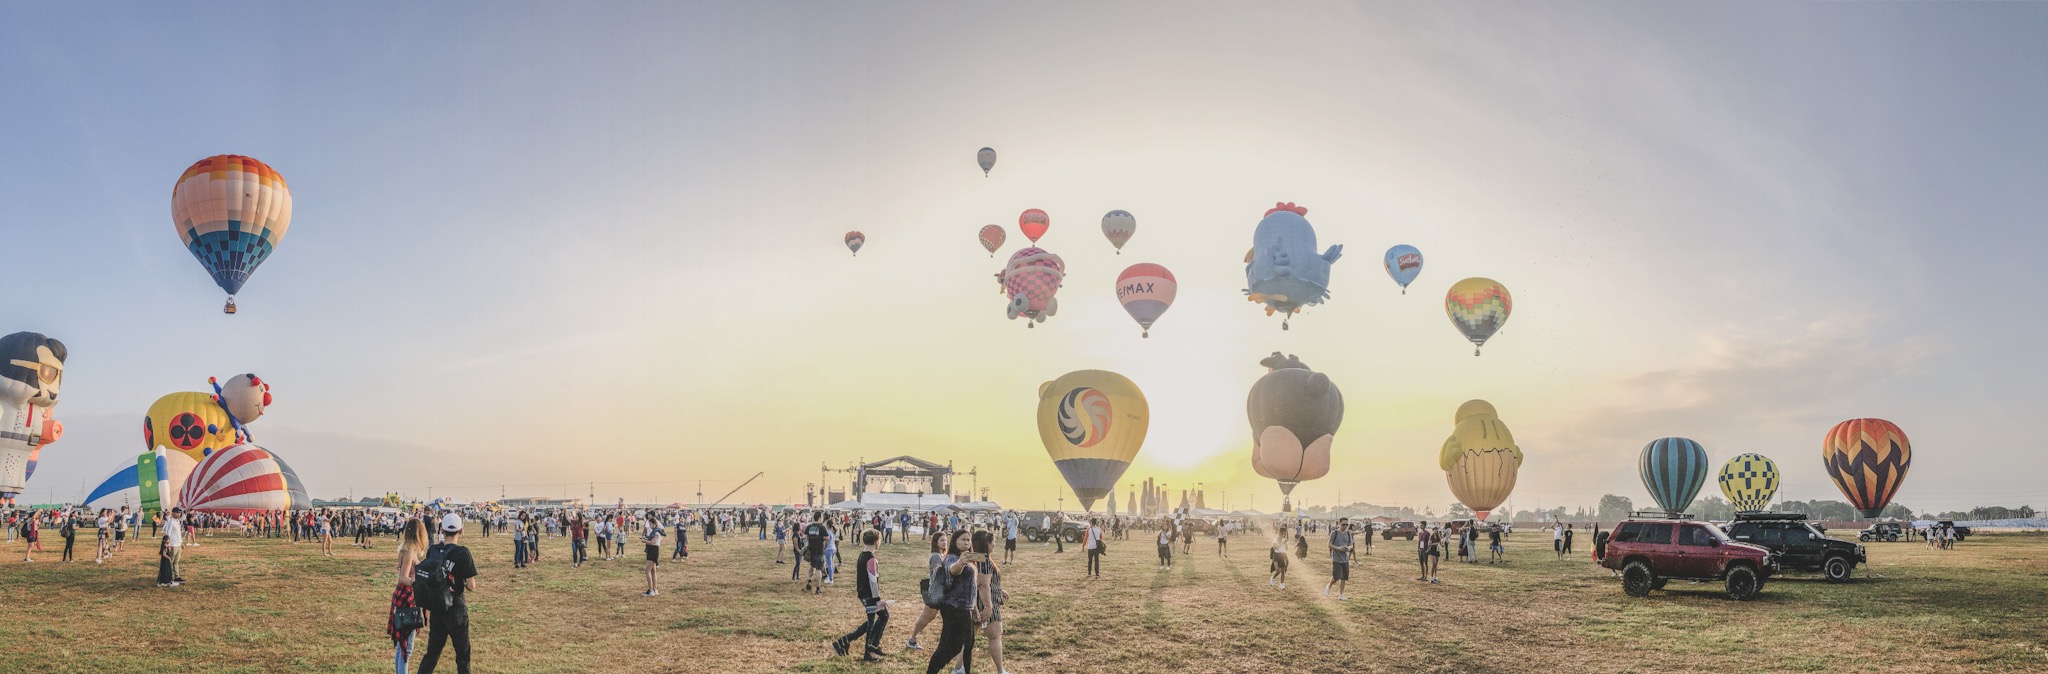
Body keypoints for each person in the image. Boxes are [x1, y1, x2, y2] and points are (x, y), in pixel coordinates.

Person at [418, 514, 478, 674]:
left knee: (432, 654)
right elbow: (471, 586)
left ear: (441, 530)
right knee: (462, 655)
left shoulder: (433, 550)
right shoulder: (463, 553)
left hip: (437, 607)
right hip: (456, 608)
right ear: (461, 530)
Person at [926, 530, 980, 674]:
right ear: (955, 541)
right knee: (949, 646)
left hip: (965, 608)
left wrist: (974, 608)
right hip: (953, 608)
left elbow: (971, 586)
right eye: (963, 539)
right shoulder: (951, 558)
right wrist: (961, 563)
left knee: (968, 644)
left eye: (969, 540)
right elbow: (953, 570)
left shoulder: (969, 558)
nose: (967, 542)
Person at [832, 530, 891, 663]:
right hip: (869, 596)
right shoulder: (871, 558)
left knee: (883, 616)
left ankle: (870, 645)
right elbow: (873, 581)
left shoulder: (862, 555)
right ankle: (866, 653)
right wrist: (878, 600)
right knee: (870, 623)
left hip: (864, 593)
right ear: (877, 541)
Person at [392, 518, 429, 674]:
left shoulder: (404, 549)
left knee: (402, 645)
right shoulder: (410, 551)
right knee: (407, 647)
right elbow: (403, 577)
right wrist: (418, 583)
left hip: (402, 597)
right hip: (408, 599)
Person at [971, 530, 1010, 674]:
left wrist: (998, 589)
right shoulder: (985, 561)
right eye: (992, 541)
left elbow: (982, 581)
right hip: (985, 604)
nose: (994, 544)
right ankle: (1001, 671)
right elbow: (982, 584)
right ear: (986, 543)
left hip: (974, 603)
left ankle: (959, 669)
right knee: (995, 637)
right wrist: (988, 606)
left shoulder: (974, 558)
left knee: (968, 639)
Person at [904, 531, 947, 652]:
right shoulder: (935, 556)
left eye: (945, 540)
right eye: (941, 540)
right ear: (936, 542)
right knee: (927, 616)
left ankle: (912, 640)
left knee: (931, 616)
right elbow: (937, 574)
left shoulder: (942, 555)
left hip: (941, 592)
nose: (944, 542)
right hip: (936, 592)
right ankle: (912, 640)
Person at [1325, 518, 1353, 600]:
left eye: (1346, 525)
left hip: (1345, 559)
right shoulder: (1335, 533)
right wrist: (1338, 548)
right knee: (1336, 577)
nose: (1345, 526)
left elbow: (1351, 545)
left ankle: (1341, 595)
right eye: (1343, 524)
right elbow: (1329, 544)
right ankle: (1329, 585)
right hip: (1336, 558)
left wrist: (1348, 548)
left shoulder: (1348, 534)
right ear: (1339, 524)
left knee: (1344, 577)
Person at [156, 508, 184, 587]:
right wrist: (168, 545)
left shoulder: (178, 521)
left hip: (178, 544)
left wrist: (181, 542)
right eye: (177, 513)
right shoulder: (170, 522)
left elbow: (178, 533)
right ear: (173, 513)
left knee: (176, 562)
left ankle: (177, 576)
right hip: (173, 545)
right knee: (168, 563)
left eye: (179, 513)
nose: (179, 514)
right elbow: (168, 533)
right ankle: (163, 579)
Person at [642, 511, 663, 596]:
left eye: (651, 524)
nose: (649, 526)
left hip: (653, 550)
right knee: (653, 571)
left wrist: (644, 541)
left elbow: (652, 542)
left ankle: (650, 590)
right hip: (653, 550)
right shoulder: (655, 531)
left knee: (647, 571)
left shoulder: (656, 532)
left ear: (654, 524)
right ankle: (655, 589)